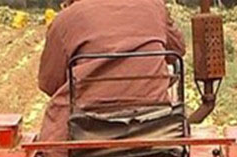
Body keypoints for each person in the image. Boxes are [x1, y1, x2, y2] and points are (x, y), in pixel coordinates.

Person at [37, 0, 186, 145]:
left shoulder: (66, 18)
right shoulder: (154, 6)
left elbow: (49, 83)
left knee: (66, 117)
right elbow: (177, 50)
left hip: (88, 128)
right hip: (155, 121)